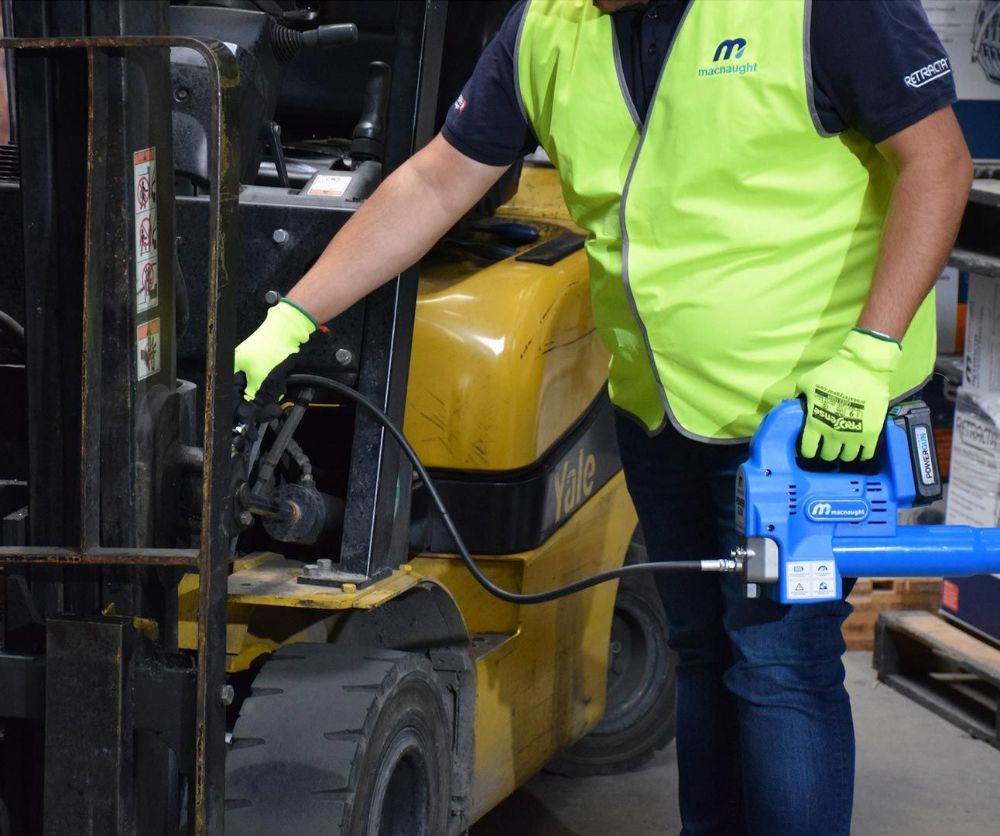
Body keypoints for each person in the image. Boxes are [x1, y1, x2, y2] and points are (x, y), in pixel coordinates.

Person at [234, 1, 973, 833]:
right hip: (660, 408)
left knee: (779, 665)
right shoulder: (547, 23)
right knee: (703, 651)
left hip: (809, 415)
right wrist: (298, 312)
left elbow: (938, 163)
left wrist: (871, 353)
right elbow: (441, 178)